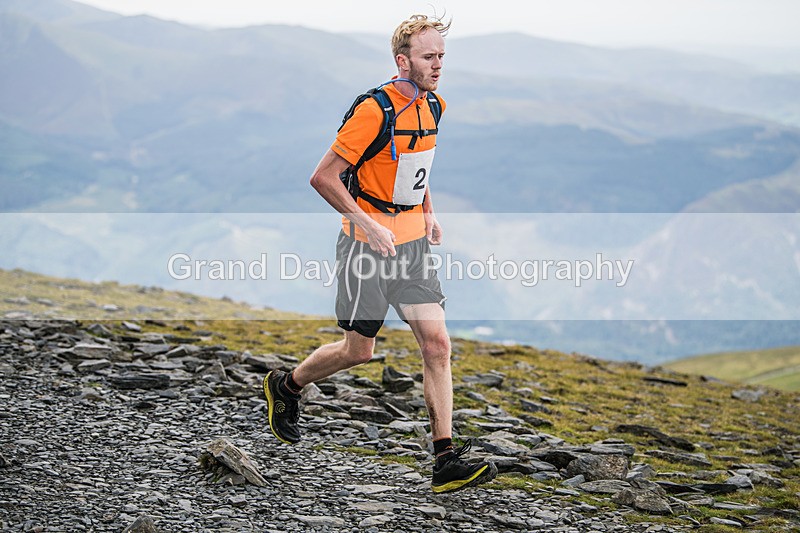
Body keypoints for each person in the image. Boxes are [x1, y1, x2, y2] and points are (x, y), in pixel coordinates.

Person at [263, 14, 497, 494]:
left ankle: (445, 459)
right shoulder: (374, 109)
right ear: (402, 61)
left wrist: (428, 211)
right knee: (359, 351)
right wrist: (368, 225)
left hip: (411, 247)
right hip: (363, 247)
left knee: (437, 345)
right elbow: (323, 177)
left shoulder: (434, 106)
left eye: (441, 56)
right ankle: (286, 386)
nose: (438, 65)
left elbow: (414, 168)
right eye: (428, 57)